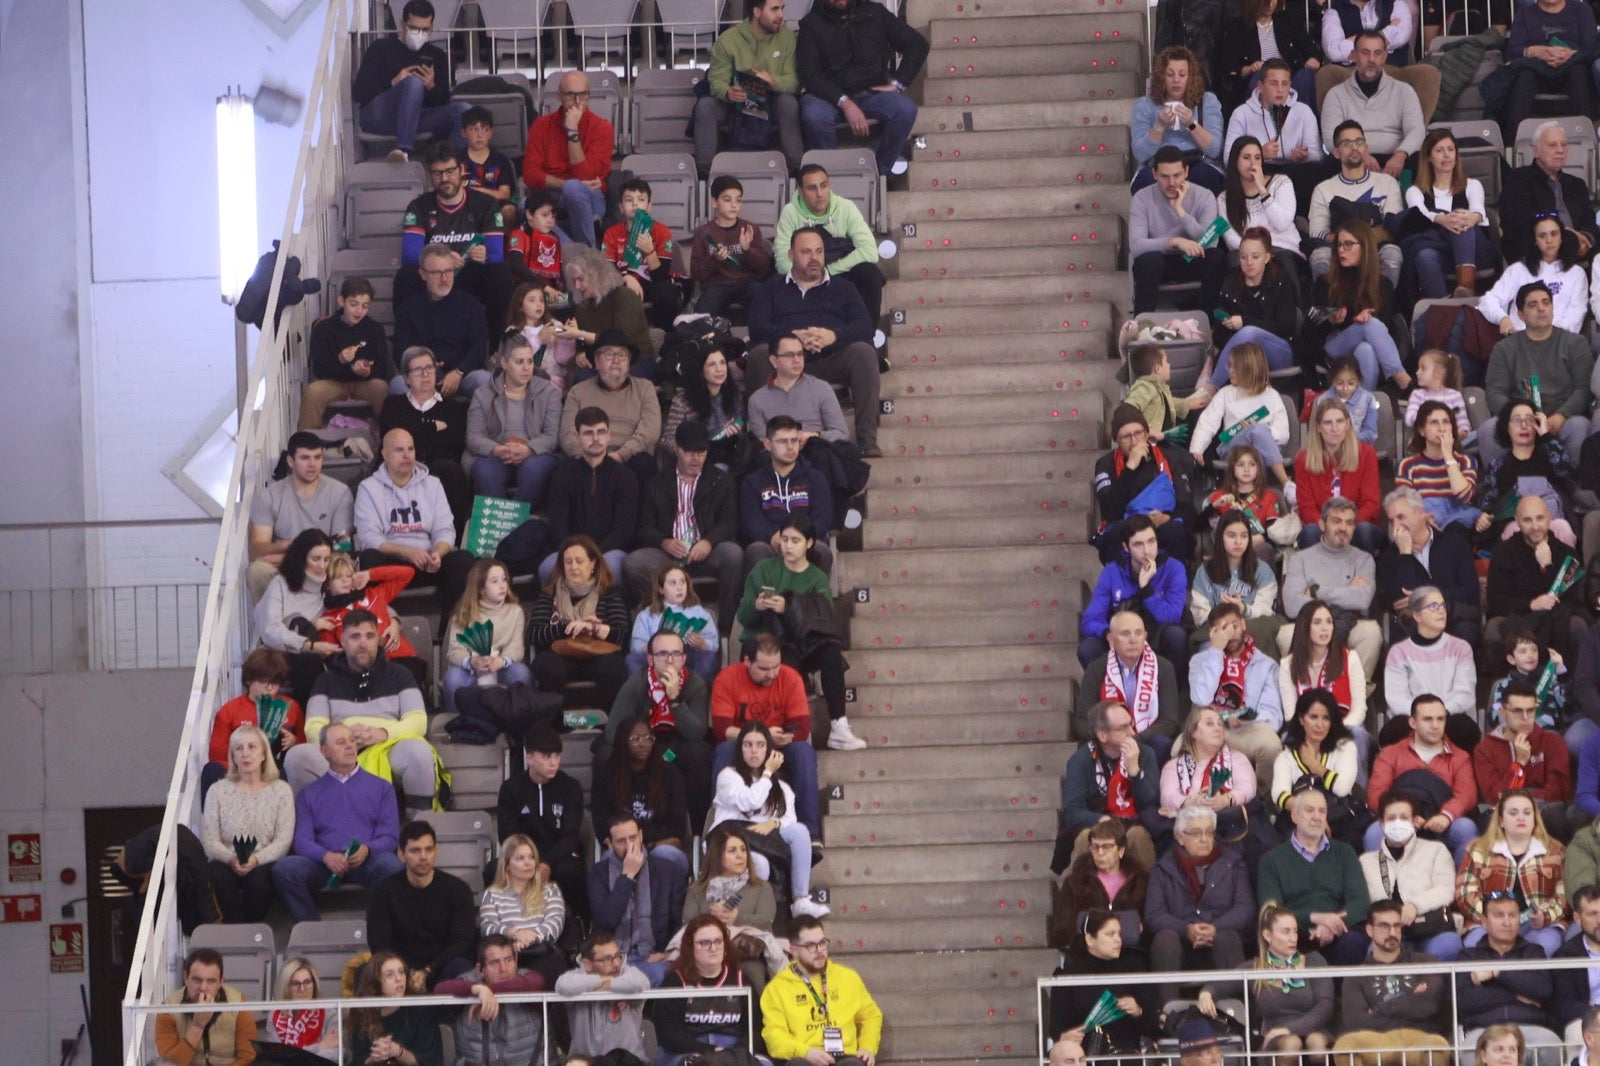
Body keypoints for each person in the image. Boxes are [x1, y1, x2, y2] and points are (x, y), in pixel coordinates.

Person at [282, 609, 436, 810]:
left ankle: (418, 828)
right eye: (355, 636)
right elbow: (313, 726)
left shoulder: (401, 675)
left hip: (389, 747)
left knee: (419, 751)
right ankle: (313, 827)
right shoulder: (325, 680)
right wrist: (343, 739)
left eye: (370, 636)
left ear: (377, 640)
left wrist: (382, 734)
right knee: (297, 756)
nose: (363, 643)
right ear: (343, 641)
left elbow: (418, 721)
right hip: (338, 750)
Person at [746, 228, 882, 456]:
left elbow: (864, 327)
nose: (814, 258)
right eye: (806, 252)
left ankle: (867, 440)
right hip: (787, 361)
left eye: (819, 251)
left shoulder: (844, 288)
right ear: (791, 255)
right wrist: (792, 338)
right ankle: (762, 442)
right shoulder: (771, 289)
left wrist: (833, 336)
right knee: (759, 354)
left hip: (831, 358)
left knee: (864, 352)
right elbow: (757, 328)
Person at [736, 514, 859, 750]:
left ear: (809, 543)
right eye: (784, 539)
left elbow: (823, 618)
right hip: (774, 642)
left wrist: (789, 607)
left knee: (832, 652)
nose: (788, 546)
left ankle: (839, 725)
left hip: (807, 641)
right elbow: (743, 616)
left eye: (795, 540)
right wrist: (758, 606)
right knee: (785, 661)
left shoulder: (817, 577)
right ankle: (791, 728)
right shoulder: (764, 568)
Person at [271, 723, 405, 921]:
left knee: (391, 865)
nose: (350, 746)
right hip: (324, 863)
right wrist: (326, 856)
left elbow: (390, 836)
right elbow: (301, 841)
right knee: (284, 869)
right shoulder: (309, 794)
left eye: (352, 741)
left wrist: (367, 849)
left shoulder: (382, 788)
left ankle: (375, 925)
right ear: (324, 751)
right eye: (341, 742)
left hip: (367, 860)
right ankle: (311, 928)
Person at [623, 422, 742, 633]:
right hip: (667, 556)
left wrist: (708, 541)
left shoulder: (721, 481)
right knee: (633, 563)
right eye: (689, 452)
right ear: (677, 449)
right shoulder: (656, 483)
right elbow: (644, 527)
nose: (696, 458)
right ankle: (660, 622)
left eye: (701, 452)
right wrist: (664, 542)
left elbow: (730, 522)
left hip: (705, 553)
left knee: (732, 554)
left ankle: (724, 627)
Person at [795, 0, 928, 177]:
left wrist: (896, 84)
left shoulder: (875, 12)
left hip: (871, 93)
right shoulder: (811, 23)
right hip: (827, 97)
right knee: (813, 115)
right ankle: (832, 177)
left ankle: (877, 173)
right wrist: (845, 103)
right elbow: (809, 75)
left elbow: (917, 44)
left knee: (905, 109)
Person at [711, 721, 830, 917]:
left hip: (766, 844)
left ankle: (800, 900)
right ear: (740, 748)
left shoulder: (780, 786)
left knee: (800, 831)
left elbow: (790, 819)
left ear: (769, 750)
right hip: (731, 841)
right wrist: (767, 772)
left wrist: (773, 823)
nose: (754, 751)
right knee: (761, 865)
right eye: (747, 745)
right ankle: (736, 910)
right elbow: (750, 801)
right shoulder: (727, 776)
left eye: (760, 745)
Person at [354, 427, 476, 617]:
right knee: (369, 557)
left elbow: (445, 529)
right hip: (393, 560)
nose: (407, 455)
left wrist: (437, 552)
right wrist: (406, 552)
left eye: (410, 449)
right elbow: (369, 538)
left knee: (464, 560)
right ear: (385, 454)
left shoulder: (433, 484)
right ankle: (380, 625)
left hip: (428, 560)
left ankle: (448, 633)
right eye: (399, 450)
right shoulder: (368, 488)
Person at [395, 145, 511, 338]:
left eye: (450, 171)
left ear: (462, 170)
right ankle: (408, 349)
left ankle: (497, 348)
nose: (445, 179)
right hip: (434, 278)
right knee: (405, 275)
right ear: (430, 175)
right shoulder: (419, 206)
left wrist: (486, 255)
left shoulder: (485, 204)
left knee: (500, 272)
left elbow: (496, 253)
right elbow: (409, 256)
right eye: (438, 173)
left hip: (470, 276)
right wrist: (444, 259)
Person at [603, 635, 714, 836]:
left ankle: (697, 834)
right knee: (604, 755)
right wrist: (641, 743)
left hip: (676, 746)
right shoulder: (637, 683)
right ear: (650, 659)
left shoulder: (694, 683)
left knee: (700, 752)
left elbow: (697, 733)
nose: (670, 660)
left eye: (676, 654)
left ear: (684, 658)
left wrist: (675, 700)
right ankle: (613, 832)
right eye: (662, 654)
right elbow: (612, 731)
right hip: (644, 742)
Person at [709, 634, 819, 835]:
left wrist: (784, 737)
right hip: (743, 746)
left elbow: (801, 728)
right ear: (747, 662)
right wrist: (762, 736)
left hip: (779, 747)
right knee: (724, 751)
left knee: (804, 752)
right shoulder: (727, 678)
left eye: (776, 666)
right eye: (764, 669)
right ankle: (720, 828)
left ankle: (809, 831)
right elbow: (722, 730)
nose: (772, 674)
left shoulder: (790, 677)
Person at [518, 405, 638, 584]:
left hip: (609, 551)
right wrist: (577, 556)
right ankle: (559, 612)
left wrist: (593, 555)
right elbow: (558, 526)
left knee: (613, 566)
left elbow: (623, 530)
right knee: (547, 568)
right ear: (577, 437)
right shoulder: (563, 475)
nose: (596, 438)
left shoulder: (625, 476)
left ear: (609, 435)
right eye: (588, 433)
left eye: (601, 432)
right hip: (570, 550)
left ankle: (613, 612)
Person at [1481, 282, 1595, 464]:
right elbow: (1494, 393)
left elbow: (1583, 389)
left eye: (1546, 303)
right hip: (1517, 418)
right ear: (1521, 315)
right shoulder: (1504, 349)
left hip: (1561, 420)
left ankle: (1570, 489)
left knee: (1580, 426)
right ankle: (1500, 488)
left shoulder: (1576, 343)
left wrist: (1560, 417)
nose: (1541, 309)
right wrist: (1519, 418)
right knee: (1488, 429)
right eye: (1533, 305)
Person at [1258, 785, 1371, 963]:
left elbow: (1360, 902)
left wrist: (1332, 924)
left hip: (1339, 935)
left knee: (1354, 941)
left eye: (1322, 811)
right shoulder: (1271, 861)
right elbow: (1271, 912)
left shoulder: (1344, 852)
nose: (1317, 817)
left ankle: (1340, 991)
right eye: (1309, 810)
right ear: (1294, 816)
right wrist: (1314, 918)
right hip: (1295, 936)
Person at [1331, 900, 1450, 1066]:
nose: (1392, 932)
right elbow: (1355, 1021)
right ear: (1370, 930)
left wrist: (1378, 1010)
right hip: (1377, 1040)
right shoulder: (1355, 975)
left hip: (1418, 1037)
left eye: (1397, 926)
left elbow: (1430, 1004)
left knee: (1437, 1045)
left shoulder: (1424, 962)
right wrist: (1411, 1000)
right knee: (1345, 1045)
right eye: (1384, 926)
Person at [351, 0, 468, 162]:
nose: (419, 33)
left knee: (464, 110)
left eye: (425, 29)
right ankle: (403, 149)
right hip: (379, 116)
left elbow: (442, 101)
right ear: (403, 23)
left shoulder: (437, 55)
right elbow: (359, 92)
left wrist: (431, 86)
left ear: (432, 27)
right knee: (413, 83)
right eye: (414, 28)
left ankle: (451, 166)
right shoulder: (380, 47)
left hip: (417, 118)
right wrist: (394, 82)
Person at [199, 724, 294, 923]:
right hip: (227, 859)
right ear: (232, 756)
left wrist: (256, 859)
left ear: (263, 754)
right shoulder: (217, 791)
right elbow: (209, 840)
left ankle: (250, 930)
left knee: (260, 880)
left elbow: (283, 840)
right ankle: (234, 931)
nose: (245, 754)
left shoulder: (281, 790)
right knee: (217, 875)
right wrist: (231, 858)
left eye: (252, 747)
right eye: (238, 749)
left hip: (263, 859)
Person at [694, 0, 802, 174]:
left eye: (782, 9)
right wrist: (728, 92)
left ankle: (797, 170)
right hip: (736, 102)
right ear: (757, 12)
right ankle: (704, 174)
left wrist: (773, 81)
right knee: (705, 106)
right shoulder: (728, 39)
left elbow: (794, 81)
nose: (781, 15)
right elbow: (716, 81)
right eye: (774, 9)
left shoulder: (788, 38)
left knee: (789, 103)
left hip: (772, 99)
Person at [525, 535, 631, 712]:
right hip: (560, 655)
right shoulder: (549, 594)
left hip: (598, 654)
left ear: (593, 564)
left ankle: (609, 725)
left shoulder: (609, 592)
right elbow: (534, 635)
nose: (573, 567)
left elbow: (621, 634)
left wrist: (594, 627)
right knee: (547, 665)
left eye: (579, 561)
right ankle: (557, 723)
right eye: (568, 562)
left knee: (614, 668)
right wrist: (565, 627)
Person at [1458, 789, 1570, 956]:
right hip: (1488, 925)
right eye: (1513, 812)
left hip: (1537, 925)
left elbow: (1565, 894)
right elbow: (1464, 893)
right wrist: (1494, 918)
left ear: (1535, 820)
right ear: (1501, 820)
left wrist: (1545, 915)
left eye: (1527, 813)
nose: (1521, 818)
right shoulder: (1478, 850)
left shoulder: (1556, 851)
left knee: (1547, 944)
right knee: (1474, 943)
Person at [369, 820, 478, 989]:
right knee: (364, 972)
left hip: (442, 968)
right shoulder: (382, 892)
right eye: (415, 850)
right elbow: (379, 944)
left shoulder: (458, 890)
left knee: (462, 967)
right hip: (398, 970)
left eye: (429, 849)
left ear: (436, 851)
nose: (423, 857)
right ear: (401, 854)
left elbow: (463, 942)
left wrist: (428, 970)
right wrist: (404, 973)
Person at [1365, 695, 1478, 859]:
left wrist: (1446, 815)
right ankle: (1384, 884)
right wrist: (1404, 817)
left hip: (1443, 824)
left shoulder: (1460, 757)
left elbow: (1467, 795)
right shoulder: (1390, 754)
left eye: (1440, 719)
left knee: (1466, 828)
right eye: (1427, 719)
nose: (1435, 725)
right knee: (1374, 832)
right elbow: (1376, 794)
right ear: (1413, 723)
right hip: (1401, 822)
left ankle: (1462, 884)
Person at [1142, 806, 1254, 972]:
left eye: (1209, 832)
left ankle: (1236, 997)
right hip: (1179, 940)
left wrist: (1216, 928)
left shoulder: (1234, 864)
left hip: (1221, 936)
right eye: (1196, 833)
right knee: (1165, 939)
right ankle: (1169, 999)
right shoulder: (1162, 869)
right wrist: (1186, 929)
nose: (1204, 839)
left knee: (1227, 937)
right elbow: (1154, 914)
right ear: (1180, 837)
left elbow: (1245, 909)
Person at [246, 432, 355, 601]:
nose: (312, 464)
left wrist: (293, 553)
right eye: (305, 458)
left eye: (317, 457)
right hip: (287, 566)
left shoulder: (340, 492)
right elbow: (255, 550)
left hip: (325, 562)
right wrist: (286, 547)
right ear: (290, 461)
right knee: (257, 571)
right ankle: (271, 623)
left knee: (341, 564)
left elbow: (342, 547)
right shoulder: (269, 496)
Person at [762, 914, 883, 1066]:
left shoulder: (847, 977)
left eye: (822, 943)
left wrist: (867, 1047)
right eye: (811, 946)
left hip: (845, 1057)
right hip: (806, 1057)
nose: (820, 951)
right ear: (794, 950)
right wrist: (805, 1052)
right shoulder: (776, 989)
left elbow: (871, 1015)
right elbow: (774, 1037)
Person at [1281, 499, 1383, 677]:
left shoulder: (1364, 559)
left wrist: (1315, 592)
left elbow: (1363, 600)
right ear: (1322, 524)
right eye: (1337, 521)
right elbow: (1291, 606)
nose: (1343, 527)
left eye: (1349, 523)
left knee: (1371, 632)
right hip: (1311, 623)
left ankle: (1356, 695)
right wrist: (1347, 590)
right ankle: (1306, 693)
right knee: (1286, 634)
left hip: (1351, 623)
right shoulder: (1301, 559)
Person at [1358, 790, 1464, 960]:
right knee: (1373, 949)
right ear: (1381, 824)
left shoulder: (1436, 850)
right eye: (1391, 818)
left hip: (1429, 930)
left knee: (1449, 944)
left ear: (1415, 821)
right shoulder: (1366, 862)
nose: (1398, 823)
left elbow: (1446, 890)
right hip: (1388, 934)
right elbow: (1365, 902)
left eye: (1404, 817)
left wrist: (1415, 906)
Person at [1057, 700, 1161, 873]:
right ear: (1103, 736)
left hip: (1133, 823)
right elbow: (1072, 810)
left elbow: (1150, 803)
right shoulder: (1081, 760)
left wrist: (1135, 771)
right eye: (1123, 728)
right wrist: (1102, 821)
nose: (1132, 733)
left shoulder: (1145, 754)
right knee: (1085, 838)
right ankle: (1081, 896)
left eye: (1131, 725)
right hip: (1097, 822)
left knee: (1138, 836)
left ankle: (1145, 897)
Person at [776, 164, 884, 330]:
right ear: (800, 191)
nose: (819, 194)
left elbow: (870, 252)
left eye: (823, 186)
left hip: (839, 270)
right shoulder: (790, 213)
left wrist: (829, 271)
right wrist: (810, 273)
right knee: (777, 282)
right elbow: (783, 263)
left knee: (869, 273)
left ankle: (867, 336)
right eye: (812, 188)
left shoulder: (845, 207)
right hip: (805, 273)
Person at [495, 726, 586, 923]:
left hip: (559, 855)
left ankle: (579, 928)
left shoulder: (571, 787)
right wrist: (526, 861)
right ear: (529, 758)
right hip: (523, 854)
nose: (553, 762)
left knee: (571, 872)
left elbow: (571, 835)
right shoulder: (511, 789)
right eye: (546, 757)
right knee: (492, 870)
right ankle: (504, 924)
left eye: (556, 756)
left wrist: (547, 863)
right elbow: (507, 834)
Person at [1456, 893, 1563, 1060]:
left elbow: (1543, 990)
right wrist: (1515, 995)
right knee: (1469, 1051)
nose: (1507, 922)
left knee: (1550, 1044)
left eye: (1512, 915)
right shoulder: (1469, 956)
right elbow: (1465, 1001)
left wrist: (1497, 973)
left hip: (1530, 1028)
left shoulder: (1533, 952)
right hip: (1485, 1030)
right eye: (1499, 915)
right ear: (1484, 922)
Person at [379, 346, 474, 531]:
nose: (425, 374)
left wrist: (412, 432)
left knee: (451, 470)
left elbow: (454, 442)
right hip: (400, 466)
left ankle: (451, 538)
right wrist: (431, 427)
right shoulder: (393, 405)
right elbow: (391, 439)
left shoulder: (453, 408)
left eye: (429, 368)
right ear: (406, 377)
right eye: (418, 370)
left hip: (441, 468)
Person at [586, 814, 688, 986]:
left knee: (667, 978)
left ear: (641, 835)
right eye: (621, 841)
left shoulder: (668, 871)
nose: (629, 845)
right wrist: (627, 877)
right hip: (610, 959)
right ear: (609, 844)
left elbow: (678, 921)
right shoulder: (598, 873)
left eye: (633, 838)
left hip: (651, 957)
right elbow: (606, 921)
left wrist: (668, 953)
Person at [1187, 605, 1285, 785]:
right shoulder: (1200, 661)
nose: (1230, 634)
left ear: (1243, 624)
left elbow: (1274, 716)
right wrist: (1216, 651)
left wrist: (1245, 716)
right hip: (1207, 727)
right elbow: (1201, 699)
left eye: (1234, 626)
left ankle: (1263, 802)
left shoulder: (1266, 664)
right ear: (1212, 633)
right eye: (1222, 629)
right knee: (1178, 748)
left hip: (1246, 729)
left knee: (1271, 747)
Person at [463, 332, 562, 507]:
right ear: (504, 363)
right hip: (496, 454)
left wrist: (528, 449)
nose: (527, 368)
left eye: (530, 361)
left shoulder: (549, 392)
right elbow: (474, 436)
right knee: (485, 471)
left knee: (535, 469)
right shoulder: (483, 393)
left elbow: (551, 436)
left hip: (534, 455)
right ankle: (494, 525)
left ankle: (516, 523)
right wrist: (498, 450)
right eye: (519, 362)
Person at [1486, 494, 1587, 664]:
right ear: (1517, 522)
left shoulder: (1567, 553)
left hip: (1558, 616)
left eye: (1540, 518)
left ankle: (1566, 680)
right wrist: (1531, 604)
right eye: (1527, 520)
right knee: (1494, 629)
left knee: (1576, 623)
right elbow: (1495, 600)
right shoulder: (1504, 552)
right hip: (1519, 614)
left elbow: (1571, 599)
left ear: (1549, 518)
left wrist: (1547, 566)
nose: (1535, 526)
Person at [1079, 515, 1189, 670]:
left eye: (1151, 541)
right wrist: (1108, 634)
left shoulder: (1173, 568)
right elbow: (1089, 620)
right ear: (1126, 547)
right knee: (1088, 648)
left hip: (1157, 637)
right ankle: (1109, 693)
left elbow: (1172, 617)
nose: (1147, 550)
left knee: (1176, 635)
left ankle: (1172, 692)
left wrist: (1146, 589)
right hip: (1122, 639)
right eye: (1138, 544)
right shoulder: (1112, 572)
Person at [1312, 220, 1411, 393]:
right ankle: (1403, 380)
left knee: (1366, 348)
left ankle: (1361, 408)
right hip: (1334, 346)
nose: (1341, 250)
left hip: (1370, 345)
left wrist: (1367, 318)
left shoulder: (1382, 284)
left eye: (1348, 244)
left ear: (1365, 247)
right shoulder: (1325, 281)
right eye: (1339, 245)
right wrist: (1334, 318)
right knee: (1367, 324)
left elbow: (1385, 324)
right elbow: (1312, 318)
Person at [1072, 612, 1183, 764]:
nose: (1133, 640)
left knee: (1162, 744)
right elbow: (1082, 721)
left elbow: (1169, 721)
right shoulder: (1096, 669)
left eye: (1138, 633)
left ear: (1145, 636)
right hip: (1109, 743)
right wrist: (1110, 737)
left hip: (1146, 740)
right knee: (1085, 750)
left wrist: (1133, 739)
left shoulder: (1163, 668)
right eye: (1125, 634)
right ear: (1111, 639)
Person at [1376, 487, 1481, 646]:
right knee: (1403, 635)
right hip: (1414, 626)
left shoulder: (1454, 543)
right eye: (1391, 521)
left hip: (1453, 618)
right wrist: (1404, 553)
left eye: (1401, 517)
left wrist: (1428, 598)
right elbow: (1402, 605)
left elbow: (1470, 592)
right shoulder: (1389, 558)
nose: (1396, 525)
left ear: (1420, 512)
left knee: (1466, 631)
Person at [1129, 146, 1228, 314]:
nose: (1172, 183)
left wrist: (1181, 212)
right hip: (1160, 261)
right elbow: (1136, 246)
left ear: (1186, 172)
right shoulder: (1141, 198)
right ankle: (1142, 326)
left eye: (1177, 175)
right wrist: (1173, 242)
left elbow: (1212, 241)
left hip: (1191, 259)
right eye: (1164, 177)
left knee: (1216, 257)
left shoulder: (1205, 196)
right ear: (1154, 175)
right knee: (1148, 261)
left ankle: (1208, 324)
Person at [1093, 405, 1198, 564]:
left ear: (1147, 433)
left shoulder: (1172, 458)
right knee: (1111, 539)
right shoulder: (1105, 464)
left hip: (1162, 524)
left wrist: (1166, 518)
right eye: (1126, 437)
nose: (1134, 441)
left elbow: (1188, 509)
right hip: (1127, 528)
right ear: (1117, 441)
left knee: (1177, 533)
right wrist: (1130, 468)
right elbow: (1110, 513)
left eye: (1138, 433)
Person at [1307, 119, 1406, 285]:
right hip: (1338, 249)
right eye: (1346, 143)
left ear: (1366, 148)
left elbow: (1392, 226)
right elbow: (1318, 232)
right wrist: (1346, 244)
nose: (1354, 147)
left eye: (1359, 142)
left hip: (1376, 247)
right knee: (1319, 257)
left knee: (1392, 254)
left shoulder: (1387, 183)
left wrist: (1360, 243)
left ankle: (1382, 308)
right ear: (1336, 152)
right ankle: (1332, 310)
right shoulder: (1323, 189)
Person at [655, 914, 762, 1065]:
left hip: (733, 1050)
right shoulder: (675, 981)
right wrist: (710, 1051)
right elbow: (668, 1034)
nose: (713, 948)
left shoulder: (741, 980)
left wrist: (731, 1054)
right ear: (690, 946)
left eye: (718, 941)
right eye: (704, 943)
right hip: (688, 1050)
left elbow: (755, 1030)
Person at [522, 70, 613, 247]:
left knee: (573, 188)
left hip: (590, 196)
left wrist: (572, 131)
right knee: (523, 207)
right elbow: (530, 175)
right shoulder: (541, 125)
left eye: (583, 95)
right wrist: (563, 184)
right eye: (571, 95)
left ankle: (587, 252)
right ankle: (576, 252)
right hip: (552, 195)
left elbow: (583, 178)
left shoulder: (602, 128)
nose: (577, 102)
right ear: (559, 96)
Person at [1045, 909, 1155, 1054]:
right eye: (1110, 934)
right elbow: (1056, 1029)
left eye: (1119, 934)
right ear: (1090, 939)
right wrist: (1064, 1036)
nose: (1118, 940)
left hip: (1127, 1055)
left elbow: (1153, 1024)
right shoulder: (1068, 976)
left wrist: (1138, 1011)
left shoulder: (1135, 968)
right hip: (1083, 1056)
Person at [1476, 681, 1575, 840]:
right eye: (1517, 711)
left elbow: (1558, 791)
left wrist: (1526, 805)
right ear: (1503, 712)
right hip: (1502, 812)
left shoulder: (1553, 742)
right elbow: (1494, 796)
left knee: (1557, 822)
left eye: (1530, 710)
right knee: (1488, 823)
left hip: (1546, 810)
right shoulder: (1485, 748)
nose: (1525, 717)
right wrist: (1519, 764)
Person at [1403, 129, 1495, 300]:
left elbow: (1478, 211)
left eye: (1451, 149)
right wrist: (1441, 219)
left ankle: (1466, 289)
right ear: (1429, 157)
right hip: (1441, 251)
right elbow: (1420, 214)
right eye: (1439, 150)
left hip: (1476, 250)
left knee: (1461, 219)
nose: (1447, 155)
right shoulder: (1414, 191)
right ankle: (1444, 310)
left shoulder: (1472, 185)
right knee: (1424, 256)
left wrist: (1470, 218)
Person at [560, 332, 662, 485]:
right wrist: (593, 459)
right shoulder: (577, 391)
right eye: (609, 354)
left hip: (629, 459)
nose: (616, 360)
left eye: (622, 355)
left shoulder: (645, 388)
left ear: (629, 362)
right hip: (588, 458)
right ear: (596, 360)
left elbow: (650, 431)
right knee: (563, 469)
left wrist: (620, 456)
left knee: (644, 464)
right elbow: (567, 434)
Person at [1189, 342, 1293, 494]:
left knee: (1257, 434)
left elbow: (1283, 433)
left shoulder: (1271, 395)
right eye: (1229, 366)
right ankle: (1286, 483)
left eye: (1234, 368)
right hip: (1233, 446)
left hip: (1264, 449)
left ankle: (1253, 496)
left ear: (1249, 370)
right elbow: (1207, 422)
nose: (1229, 371)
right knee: (1256, 431)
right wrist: (1197, 447)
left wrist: (1259, 433)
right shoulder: (1225, 394)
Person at [393, 245, 492, 402]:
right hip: (422, 374)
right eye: (437, 273)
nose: (444, 279)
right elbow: (401, 350)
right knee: (397, 385)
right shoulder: (408, 309)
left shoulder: (471, 305)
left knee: (485, 381)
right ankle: (418, 426)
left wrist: (459, 372)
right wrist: (425, 369)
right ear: (423, 274)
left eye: (448, 271)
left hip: (462, 374)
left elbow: (479, 346)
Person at [1318, 31, 1425, 178]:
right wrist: (1361, 155)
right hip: (1353, 157)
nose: (1372, 59)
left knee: (1422, 159)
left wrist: (1401, 155)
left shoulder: (1404, 91)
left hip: (1396, 159)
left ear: (1385, 57)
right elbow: (1331, 138)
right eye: (1365, 53)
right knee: (1331, 161)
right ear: (1353, 55)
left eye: (1377, 53)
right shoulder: (1335, 94)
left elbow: (1417, 130)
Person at [1478, 398, 1581, 545]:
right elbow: (1487, 504)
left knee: (1563, 528)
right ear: (1506, 427)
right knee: (1512, 532)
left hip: (1553, 523)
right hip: (1516, 529)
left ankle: (1565, 568)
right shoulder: (1498, 466)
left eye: (1530, 420)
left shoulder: (1550, 455)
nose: (1524, 425)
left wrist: (1546, 435)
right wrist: (1483, 516)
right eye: (1516, 420)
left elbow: (1570, 474)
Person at [1243, 903, 1335, 1066]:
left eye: (1295, 931)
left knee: (1317, 1043)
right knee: (1291, 1044)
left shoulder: (1314, 960)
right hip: (1276, 1039)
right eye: (1286, 932)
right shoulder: (1256, 967)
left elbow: (1325, 1006)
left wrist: (1289, 1029)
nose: (1293, 938)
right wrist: (1208, 993)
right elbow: (1221, 983)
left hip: (1316, 1031)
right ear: (1267, 935)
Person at [435, 934, 547, 1066]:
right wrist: (477, 990)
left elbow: (537, 982)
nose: (503, 969)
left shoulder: (527, 979)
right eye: (495, 962)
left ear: (516, 960)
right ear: (480, 970)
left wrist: (487, 991)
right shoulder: (469, 984)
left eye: (508, 960)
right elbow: (439, 990)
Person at [301, 276, 394, 430]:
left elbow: (382, 370)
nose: (359, 311)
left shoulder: (375, 328)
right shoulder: (324, 328)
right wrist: (340, 360)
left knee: (381, 388)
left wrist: (367, 371)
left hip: (365, 383)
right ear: (341, 301)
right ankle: (307, 443)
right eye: (354, 304)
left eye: (365, 306)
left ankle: (389, 439)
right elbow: (318, 369)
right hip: (334, 383)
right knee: (312, 392)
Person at [441, 558, 529, 718]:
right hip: (473, 668)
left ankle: (522, 722)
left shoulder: (515, 612)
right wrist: (472, 662)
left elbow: (516, 647)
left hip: (502, 667)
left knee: (521, 673)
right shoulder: (463, 613)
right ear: (481, 589)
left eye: (504, 579)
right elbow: (455, 650)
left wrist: (501, 661)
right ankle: (456, 723)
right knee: (453, 678)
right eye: (494, 581)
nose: (502, 585)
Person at [1499, 0, 1598, 144]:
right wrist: (1534, 51)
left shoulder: (1581, 9)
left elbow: (1592, 48)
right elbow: (1513, 50)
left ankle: (1590, 141)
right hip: (1537, 70)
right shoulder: (1526, 13)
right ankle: (1512, 144)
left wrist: (1572, 54)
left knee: (1579, 72)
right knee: (1524, 76)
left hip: (1573, 68)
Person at [1500, 122, 1600, 263]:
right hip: (1534, 247)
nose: (1560, 150)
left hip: (1576, 247)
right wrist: (1563, 233)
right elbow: (1517, 221)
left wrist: (1586, 238)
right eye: (1552, 145)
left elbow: (1589, 220)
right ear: (1536, 150)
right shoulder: (1519, 179)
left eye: (1564, 145)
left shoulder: (1577, 184)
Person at [1131, 47, 1226, 194]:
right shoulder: (1144, 104)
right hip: (1159, 164)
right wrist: (1160, 126)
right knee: (1145, 181)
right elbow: (1140, 153)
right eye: (1170, 74)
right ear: (1162, 76)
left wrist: (1192, 124)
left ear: (1191, 77)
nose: (1176, 80)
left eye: (1182, 75)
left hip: (1198, 161)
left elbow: (1215, 150)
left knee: (1205, 177)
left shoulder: (1207, 101)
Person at [205, 647, 305, 786]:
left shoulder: (290, 707)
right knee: (211, 770)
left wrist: (294, 741)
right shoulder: (230, 710)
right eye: (264, 681)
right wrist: (245, 744)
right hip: (239, 769)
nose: (270, 688)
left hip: (275, 767)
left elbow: (305, 744)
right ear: (249, 680)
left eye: (275, 682)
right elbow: (215, 754)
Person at [1212, 229, 1299, 386]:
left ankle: (1211, 387)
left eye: (1255, 257)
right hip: (1243, 357)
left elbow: (1286, 328)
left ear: (1267, 257)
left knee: (1249, 332)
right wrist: (1227, 324)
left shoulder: (1281, 280)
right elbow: (1218, 335)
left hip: (1279, 351)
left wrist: (1245, 322)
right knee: (1243, 340)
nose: (1249, 262)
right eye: (1243, 257)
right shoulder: (1231, 281)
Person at [1278, 602, 1372, 748]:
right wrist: (1314, 730)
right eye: (1317, 622)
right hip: (1306, 729)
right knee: (1286, 737)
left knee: (1358, 735)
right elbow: (1291, 715)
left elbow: (1359, 709)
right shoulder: (1287, 665)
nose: (1325, 628)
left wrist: (1333, 730)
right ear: (1305, 627)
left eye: (1329, 622)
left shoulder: (1350, 657)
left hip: (1345, 726)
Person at [1292, 405, 1385, 551]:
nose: (1334, 428)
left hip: (1358, 524)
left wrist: (1347, 524)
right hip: (1323, 526)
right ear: (1318, 427)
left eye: (1340, 422)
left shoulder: (1366, 453)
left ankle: (1364, 573)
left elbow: (1371, 503)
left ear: (1348, 424)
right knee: (1310, 532)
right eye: (1328, 423)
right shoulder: (1304, 459)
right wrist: (1328, 525)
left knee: (1364, 530)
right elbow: (1306, 506)